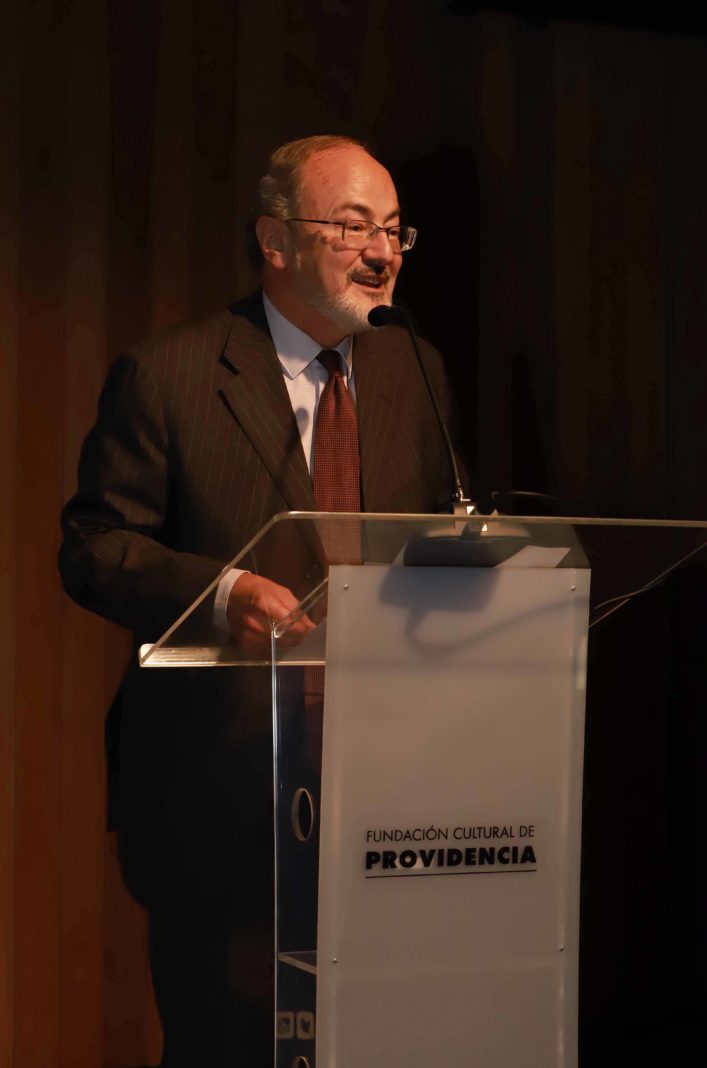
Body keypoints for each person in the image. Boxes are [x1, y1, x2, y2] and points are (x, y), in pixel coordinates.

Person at [59, 134, 462, 1066]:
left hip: (391, 796)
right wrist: (220, 591)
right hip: (227, 794)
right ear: (274, 241)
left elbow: (441, 536)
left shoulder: (414, 373)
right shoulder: (172, 374)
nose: (383, 252)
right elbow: (93, 547)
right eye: (353, 226)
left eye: (395, 230)